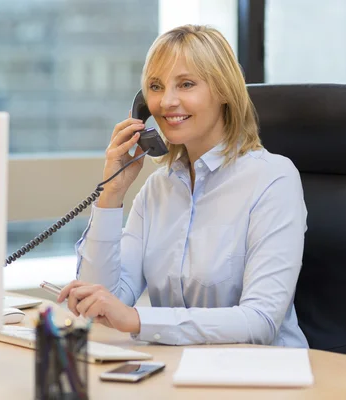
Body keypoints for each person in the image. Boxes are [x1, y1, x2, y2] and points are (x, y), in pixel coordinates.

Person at [56, 24, 309, 348]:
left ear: (224, 92)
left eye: (186, 84)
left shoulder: (273, 179)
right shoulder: (157, 190)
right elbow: (101, 302)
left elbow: (260, 320)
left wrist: (137, 320)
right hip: (178, 371)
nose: (166, 102)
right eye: (156, 87)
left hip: (264, 379)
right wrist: (111, 194)